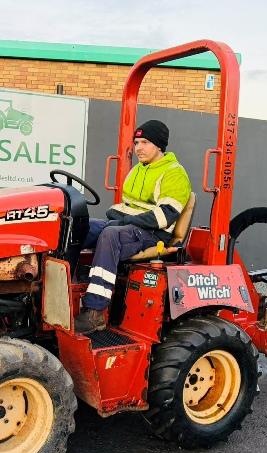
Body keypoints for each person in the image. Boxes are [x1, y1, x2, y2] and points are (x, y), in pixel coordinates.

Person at [75, 119, 192, 334]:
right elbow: (125, 208)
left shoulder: (174, 174)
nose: (138, 148)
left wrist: (122, 220)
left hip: (154, 235)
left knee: (111, 235)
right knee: (79, 227)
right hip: (132, 227)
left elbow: (163, 217)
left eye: (145, 142)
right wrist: (118, 216)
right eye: (136, 142)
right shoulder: (138, 170)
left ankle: (95, 312)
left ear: (159, 146)